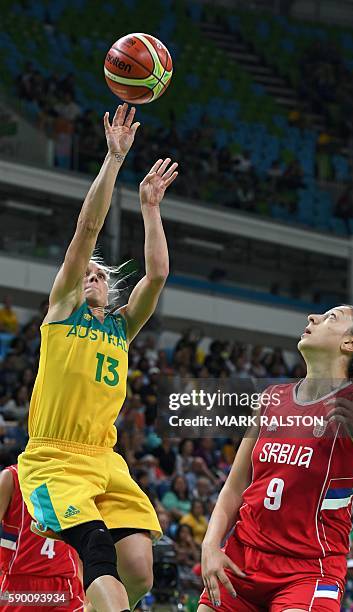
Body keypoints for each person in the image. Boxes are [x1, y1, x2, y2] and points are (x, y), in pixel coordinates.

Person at [17, 103, 179, 612]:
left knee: (140, 571)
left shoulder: (122, 326)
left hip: (105, 459)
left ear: (110, 290)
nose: (92, 275)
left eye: (100, 275)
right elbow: (87, 230)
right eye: (86, 272)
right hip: (55, 457)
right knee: (99, 556)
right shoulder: (63, 311)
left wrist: (151, 208)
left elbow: (155, 278)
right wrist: (113, 160)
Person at [198, 305, 353, 611]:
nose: (312, 318)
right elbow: (234, 487)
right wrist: (211, 544)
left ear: (350, 344)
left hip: (309, 571)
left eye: (330, 318)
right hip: (242, 559)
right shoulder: (272, 399)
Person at [0, 464, 84, 611]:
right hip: (22, 586)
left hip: (63, 582)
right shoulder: (11, 477)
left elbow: (79, 536)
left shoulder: (75, 478)